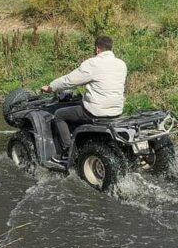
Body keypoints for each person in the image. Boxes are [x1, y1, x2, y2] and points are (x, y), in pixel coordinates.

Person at [41, 35, 127, 164]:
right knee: (81, 104)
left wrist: (51, 87)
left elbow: (69, 81)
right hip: (116, 111)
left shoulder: (93, 64)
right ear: (111, 47)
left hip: (96, 111)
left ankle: (67, 152)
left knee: (59, 115)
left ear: (97, 49)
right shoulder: (121, 64)